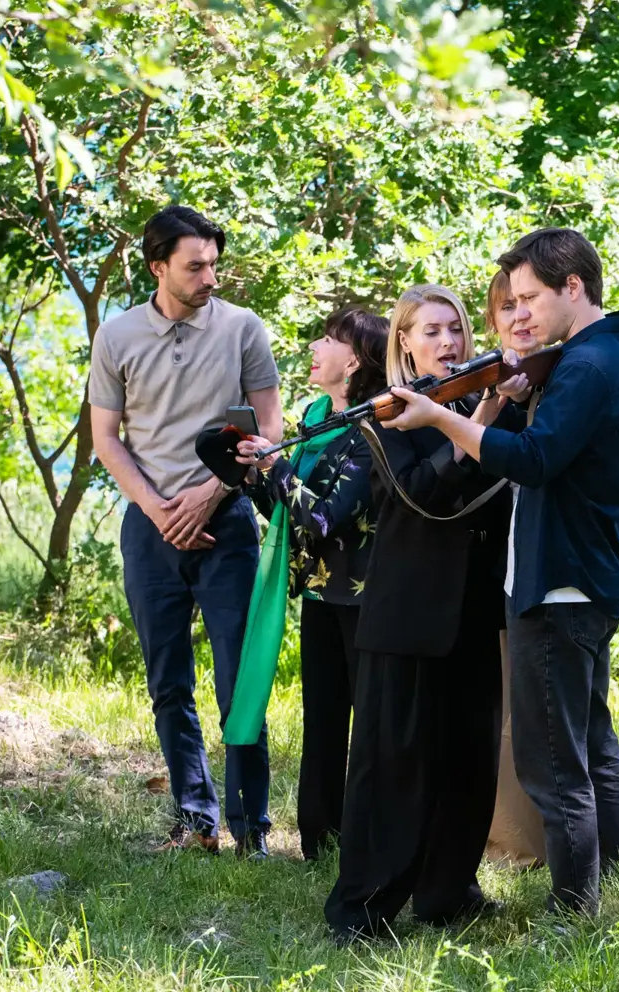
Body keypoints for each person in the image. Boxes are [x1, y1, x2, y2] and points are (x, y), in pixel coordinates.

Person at [383, 228, 619, 915]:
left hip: (560, 581)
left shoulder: (587, 366)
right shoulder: (607, 351)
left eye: (530, 297)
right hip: (586, 573)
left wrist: (442, 418)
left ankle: (574, 911)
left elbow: (534, 460)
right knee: (590, 741)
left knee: (551, 763)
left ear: (573, 287)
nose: (519, 312)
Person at [322, 285, 517, 939]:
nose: (448, 341)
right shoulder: (389, 414)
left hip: (473, 609)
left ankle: (448, 892)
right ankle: (361, 908)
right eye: (431, 331)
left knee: (470, 760)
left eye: (455, 328)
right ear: (403, 342)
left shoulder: (477, 404)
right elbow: (422, 493)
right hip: (406, 612)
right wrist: (477, 419)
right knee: (392, 767)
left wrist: (498, 406)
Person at [87, 205, 281, 857]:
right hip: (151, 527)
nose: (210, 278)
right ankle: (195, 820)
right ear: (157, 267)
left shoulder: (243, 329)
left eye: (214, 265)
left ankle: (251, 829)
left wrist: (212, 492)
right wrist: (157, 508)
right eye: (195, 267)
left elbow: (270, 429)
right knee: (168, 683)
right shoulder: (116, 336)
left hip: (227, 523)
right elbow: (106, 438)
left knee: (238, 683)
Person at [234, 308, 387, 861]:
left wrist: (275, 467)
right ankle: (319, 840)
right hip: (321, 590)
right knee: (321, 717)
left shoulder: (374, 424)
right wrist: (253, 473)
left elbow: (325, 517)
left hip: (366, 594)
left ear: (357, 359)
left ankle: (367, 836)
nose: (315, 348)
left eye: (328, 339)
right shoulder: (317, 416)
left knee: (369, 723)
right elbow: (289, 512)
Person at [481, 269, 548, 869]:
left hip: (532, 570)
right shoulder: (484, 385)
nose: (519, 316)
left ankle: (523, 844)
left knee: (526, 714)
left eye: (527, 302)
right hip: (483, 568)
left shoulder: (558, 376)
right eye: (507, 307)